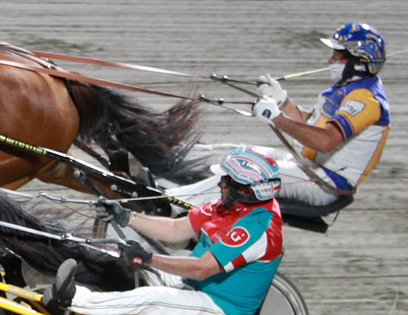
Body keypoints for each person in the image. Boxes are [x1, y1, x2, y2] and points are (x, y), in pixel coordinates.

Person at [49, 149, 284, 315]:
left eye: (227, 181)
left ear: (245, 190)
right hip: (190, 282)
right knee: (118, 261)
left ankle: (72, 299)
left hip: (219, 307)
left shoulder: (257, 229)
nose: (220, 184)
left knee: (151, 299)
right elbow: (176, 228)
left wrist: (147, 258)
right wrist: (127, 217)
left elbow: (202, 269)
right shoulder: (230, 206)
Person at [168, 23, 393, 209]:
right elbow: (313, 124)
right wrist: (283, 102)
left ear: (361, 62)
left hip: (323, 183)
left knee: (243, 172)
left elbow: (324, 141)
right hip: (304, 164)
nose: (330, 61)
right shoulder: (348, 89)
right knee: (234, 152)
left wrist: (278, 119)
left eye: (338, 55)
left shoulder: (366, 100)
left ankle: (169, 200)